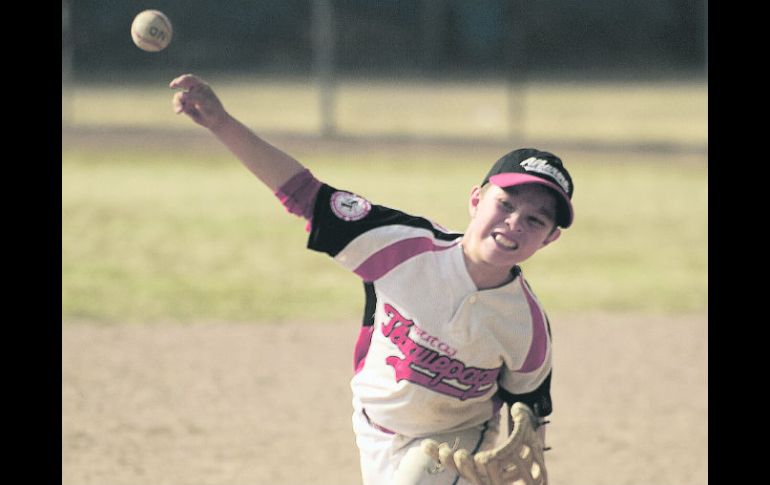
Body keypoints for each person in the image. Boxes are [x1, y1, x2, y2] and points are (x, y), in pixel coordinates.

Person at [169, 73, 574, 485]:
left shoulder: (525, 324)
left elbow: (529, 405)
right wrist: (221, 123)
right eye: (504, 203)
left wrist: (533, 456)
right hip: (372, 425)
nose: (514, 223)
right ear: (475, 200)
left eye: (535, 219)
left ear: (550, 238)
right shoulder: (404, 247)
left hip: (454, 441)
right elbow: (304, 194)